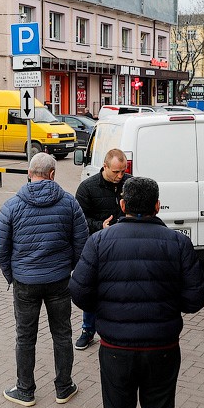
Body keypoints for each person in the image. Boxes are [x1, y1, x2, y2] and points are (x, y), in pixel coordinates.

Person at [70, 177, 204, 408]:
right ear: (158, 206)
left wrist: (104, 308)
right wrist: (168, 305)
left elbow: (79, 291)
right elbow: (196, 297)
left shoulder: (100, 242)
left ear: (122, 206)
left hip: (115, 348)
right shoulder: (177, 243)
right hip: (162, 348)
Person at [0, 152, 88, 407]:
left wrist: (12, 275)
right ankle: (64, 388)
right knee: (62, 334)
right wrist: (69, 268)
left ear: (29, 173)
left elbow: (0, 246)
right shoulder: (69, 203)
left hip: (25, 282)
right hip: (59, 280)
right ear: (53, 174)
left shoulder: (12, 205)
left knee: (25, 336)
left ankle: (25, 390)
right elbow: (82, 242)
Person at [73, 148, 131, 351]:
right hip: (98, 249)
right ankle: (88, 330)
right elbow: (79, 220)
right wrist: (101, 226)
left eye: (123, 171)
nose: (120, 176)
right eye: (116, 172)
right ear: (104, 166)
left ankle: (121, 330)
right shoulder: (87, 188)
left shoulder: (130, 184)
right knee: (93, 290)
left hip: (124, 248)